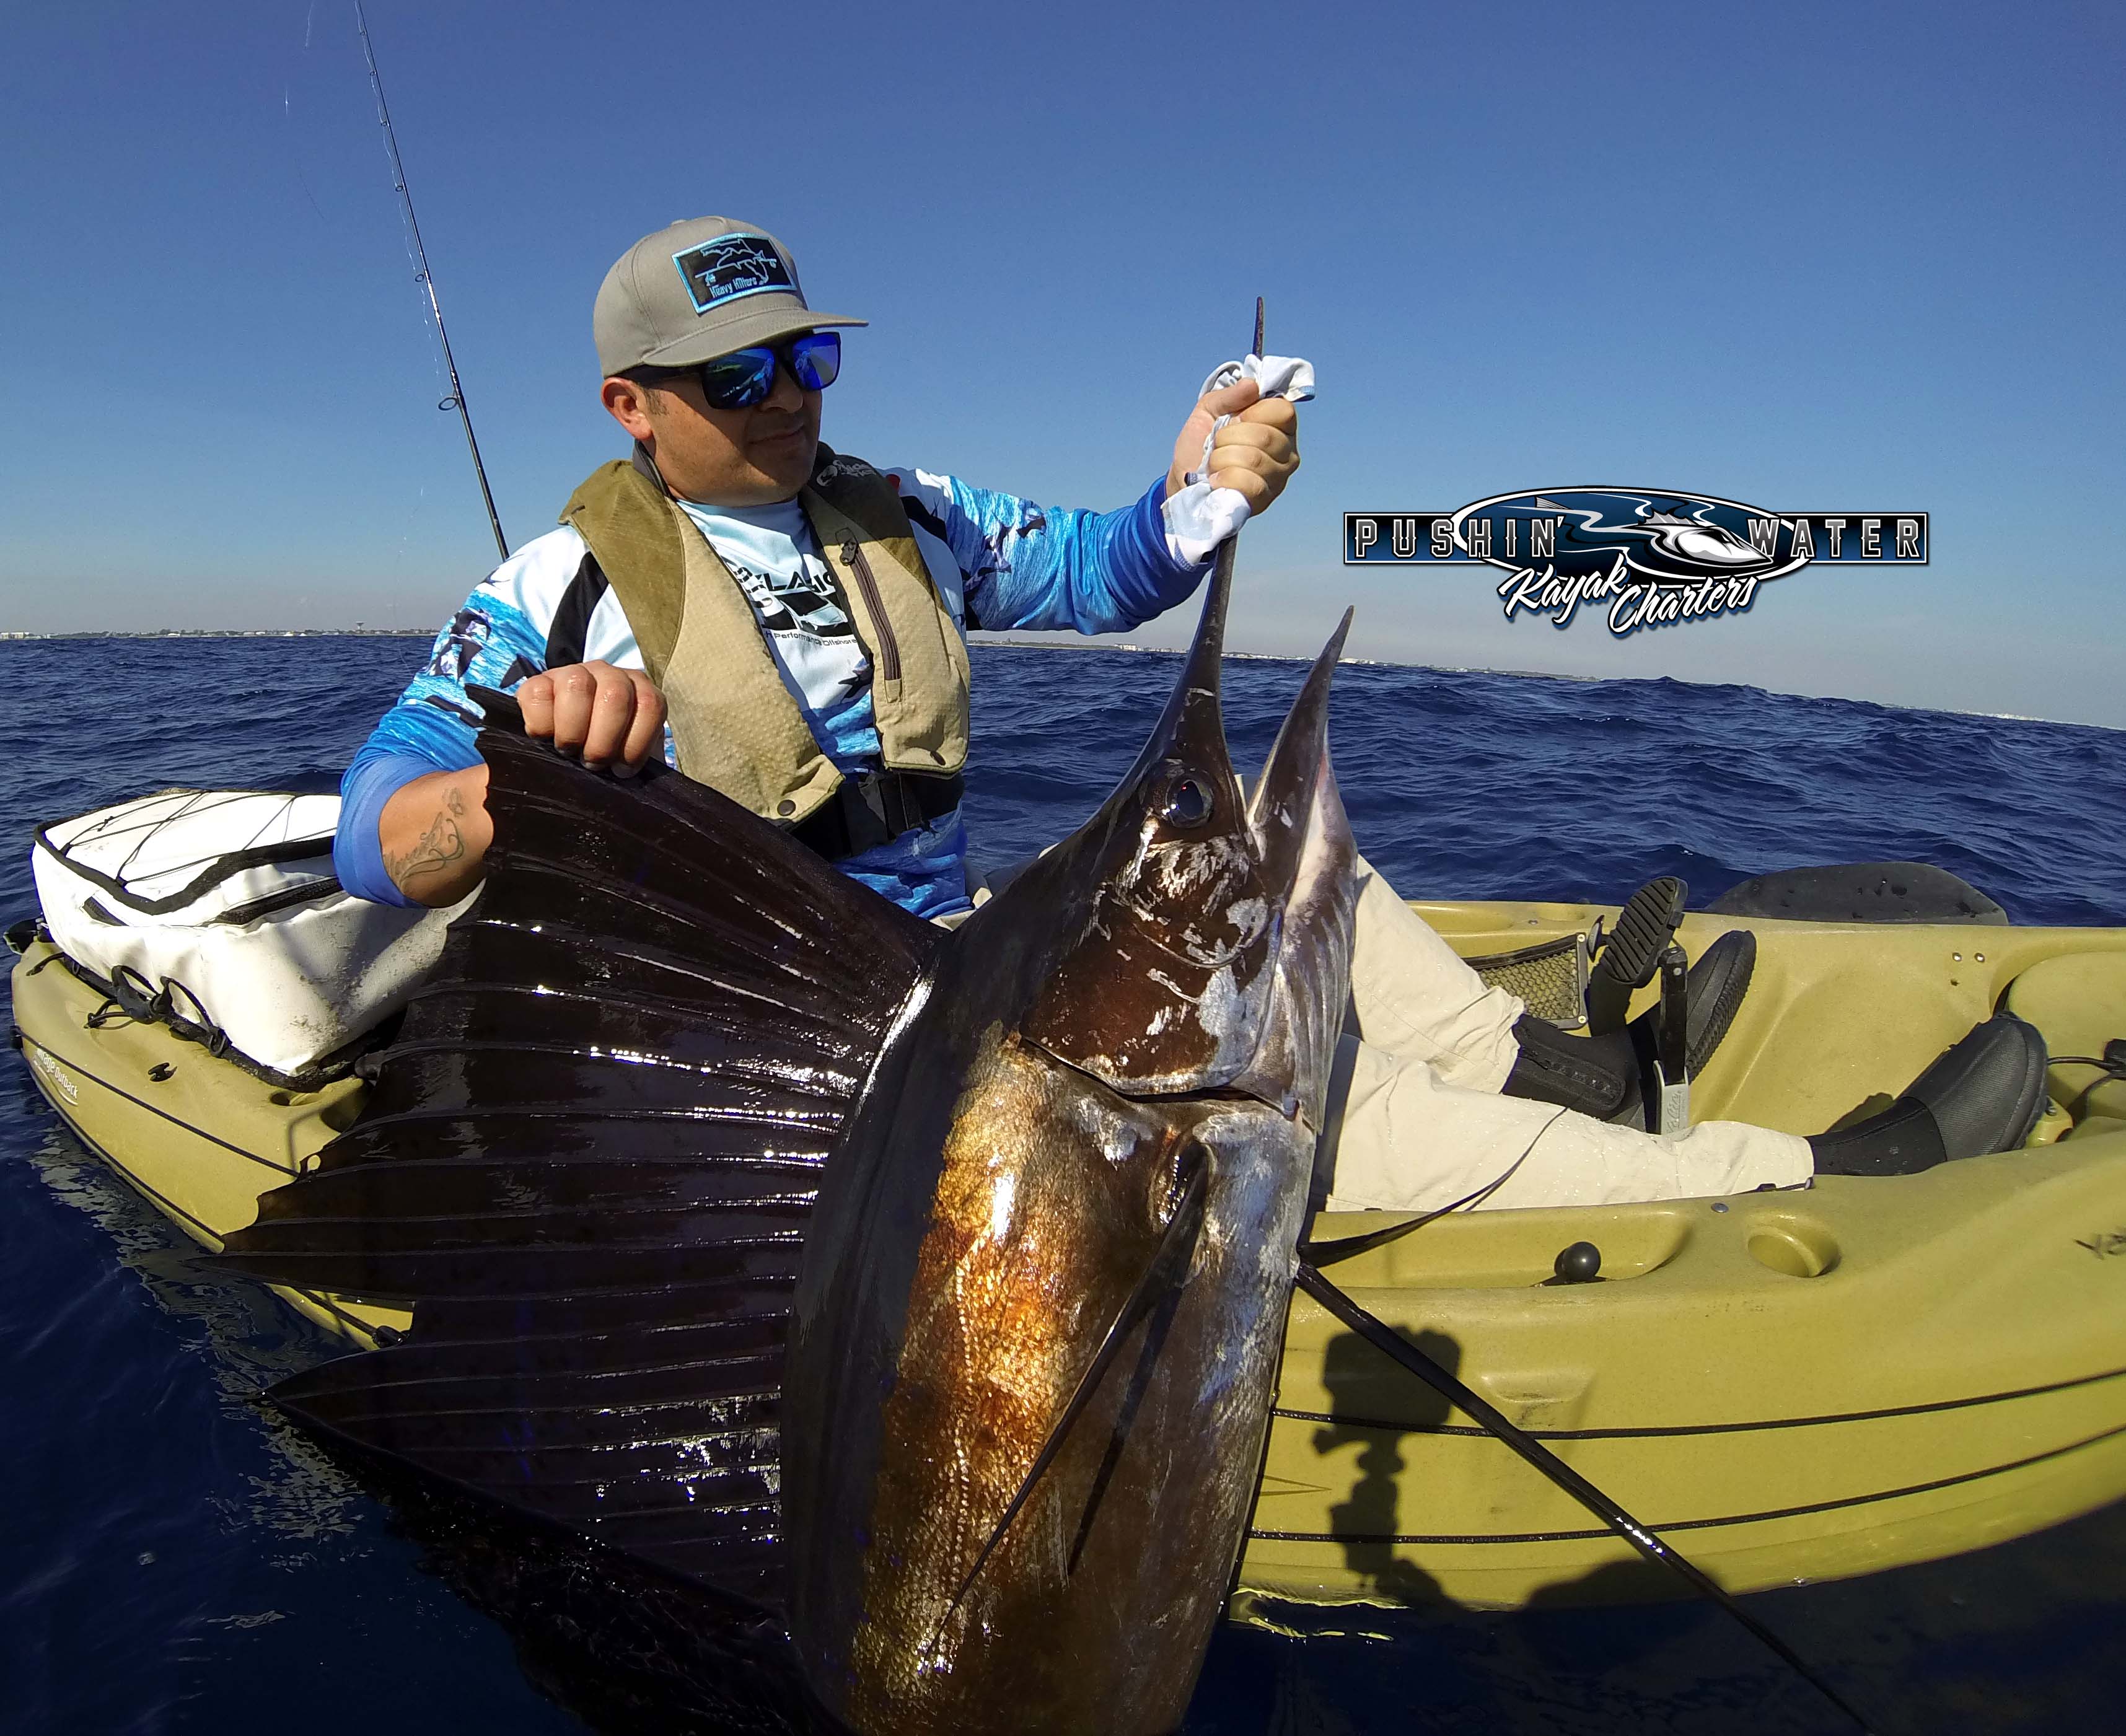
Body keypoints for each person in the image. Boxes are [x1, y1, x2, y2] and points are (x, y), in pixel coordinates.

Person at [336, 217, 2048, 1213]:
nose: (790, 400)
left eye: (810, 360)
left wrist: (1207, 489)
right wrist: (503, 793)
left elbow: (1097, 570)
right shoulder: (554, 585)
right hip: (810, 1055)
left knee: (1281, 864)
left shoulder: (898, 512)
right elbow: (376, 823)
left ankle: (1582, 1079)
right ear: (634, 407)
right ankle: (1799, 1173)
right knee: (1292, 1104)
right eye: (742, 377)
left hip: (958, 961)